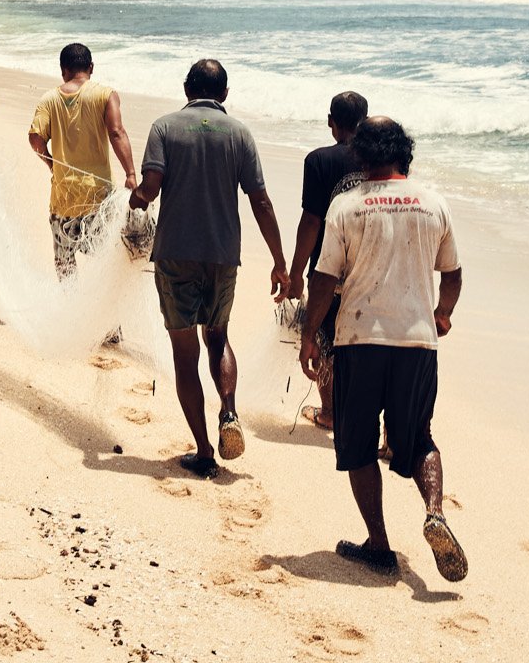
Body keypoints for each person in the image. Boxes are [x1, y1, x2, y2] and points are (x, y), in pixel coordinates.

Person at [300, 116, 466, 581]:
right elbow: (451, 272)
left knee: (358, 444)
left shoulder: (347, 206)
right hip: (417, 342)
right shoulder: (434, 204)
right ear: (404, 152)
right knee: (418, 438)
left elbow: (325, 279)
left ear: (360, 154)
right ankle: (434, 512)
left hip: (359, 339)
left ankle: (378, 545)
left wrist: (311, 333)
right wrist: (443, 313)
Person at [129, 59, 286, 479]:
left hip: (175, 252)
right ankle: (229, 411)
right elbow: (261, 201)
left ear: (186, 89)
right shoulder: (239, 133)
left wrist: (137, 198)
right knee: (218, 337)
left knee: (186, 355)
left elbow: (151, 185)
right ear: (225, 94)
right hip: (222, 253)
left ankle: (203, 452)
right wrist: (280, 261)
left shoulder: (164, 127)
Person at [285, 91, 370, 429]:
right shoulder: (381, 161)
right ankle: (363, 413)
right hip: (372, 265)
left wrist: (294, 271)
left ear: (331, 122)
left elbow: (311, 221)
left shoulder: (319, 160)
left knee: (324, 336)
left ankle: (331, 412)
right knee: (365, 340)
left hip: (327, 266)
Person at [28, 43, 138, 277]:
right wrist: (130, 174)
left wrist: (51, 164)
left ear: (62, 70)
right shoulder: (105, 94)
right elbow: (116, 132)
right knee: (108, 256)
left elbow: (36, 139)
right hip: (100, 198)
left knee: (65, 263)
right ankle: (101, 306)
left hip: (63, 198)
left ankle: (71, 305)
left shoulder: (49, 99)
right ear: (91, 67)